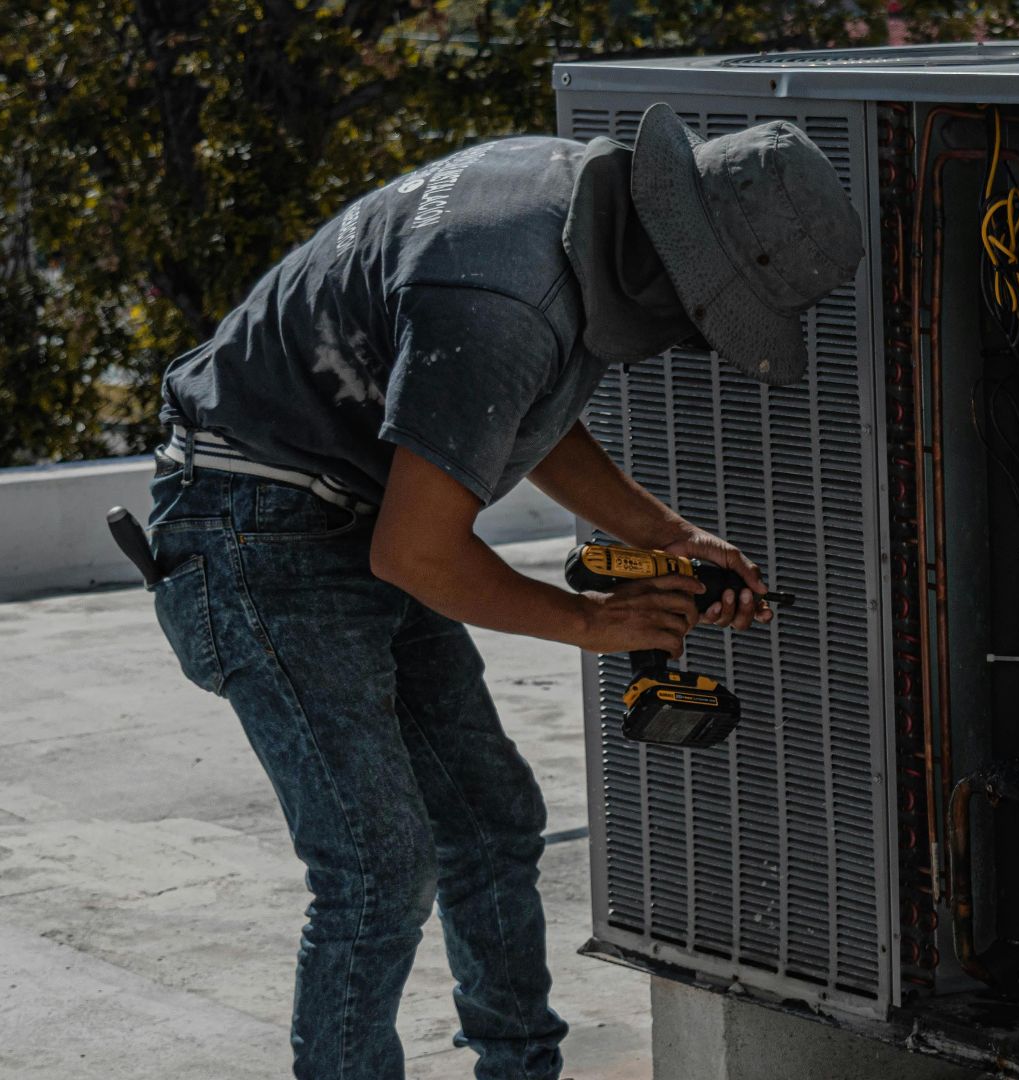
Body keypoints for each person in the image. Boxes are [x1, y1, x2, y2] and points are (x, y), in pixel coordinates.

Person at [142, 104, 864, 1080]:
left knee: (490, 821)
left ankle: (520, 1069)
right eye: (704, 322)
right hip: (252, 525)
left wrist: (665, 534)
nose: (688, 343)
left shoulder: (561, 203)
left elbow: (491, 409)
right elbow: (418, 553)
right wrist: (590, 624)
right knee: (375, 867)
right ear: (680, 271)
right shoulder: (501, 296)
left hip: (339, 501)